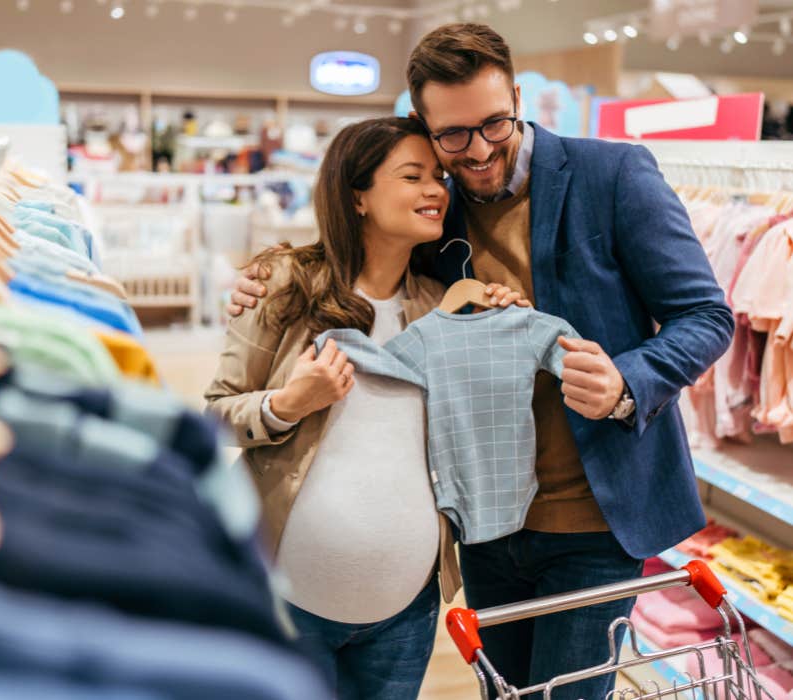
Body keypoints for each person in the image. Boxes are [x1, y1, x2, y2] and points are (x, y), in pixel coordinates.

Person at [227, 24, 735, 700]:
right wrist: (272, 272)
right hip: (486, 525)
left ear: (518, 98)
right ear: (427, 129)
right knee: (504, 693)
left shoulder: (611, 175)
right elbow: (363, 242)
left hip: (594, 519)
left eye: (496, 122)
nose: (481, 148)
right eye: (455, 136)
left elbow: (707, 315)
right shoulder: (439, 211)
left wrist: (625, 381)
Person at [204, 116, 524, 700]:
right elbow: (215, 413)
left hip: (406, 607)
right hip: (285, 599)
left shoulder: (446, 308)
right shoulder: (284, 284)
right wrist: (287, 404)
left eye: (438, 178)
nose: (436, 190)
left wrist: (501, 318)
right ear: (358, 196)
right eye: (413, 176)